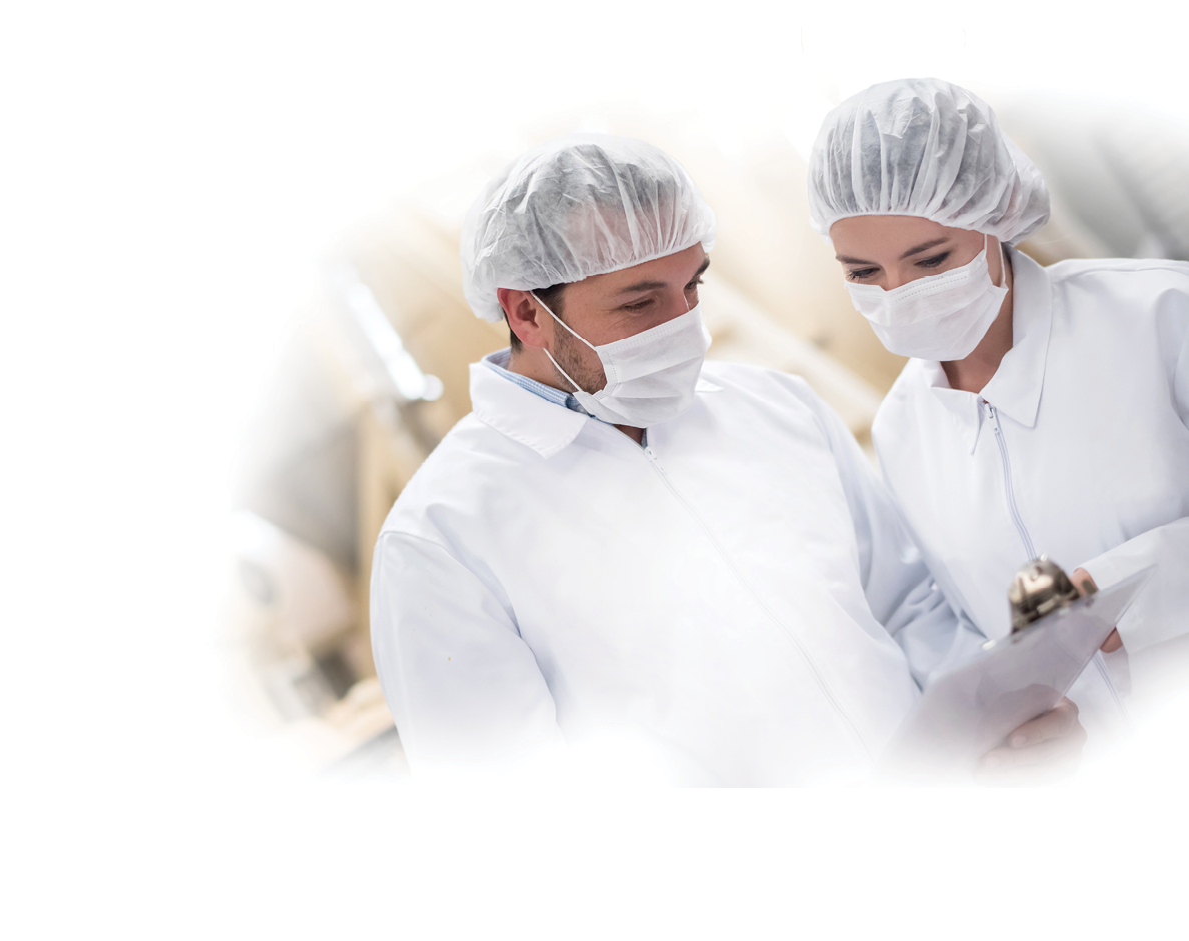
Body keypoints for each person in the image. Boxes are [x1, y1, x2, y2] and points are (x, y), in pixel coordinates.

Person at [369, 133, 1080, 785]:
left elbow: (907, 606)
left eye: (692, 286)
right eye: (641, 302)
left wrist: (999, 724)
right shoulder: (442, 538)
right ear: (526, 313)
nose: (682, 325)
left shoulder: (774, 408)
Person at [807, 78, 1189, 746]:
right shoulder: (902, 430)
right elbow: (967, 626)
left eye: (930, 259)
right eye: (863, 273)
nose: (900, 295)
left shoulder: (1157, 316)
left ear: (997, 215)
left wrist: (1125, 591)